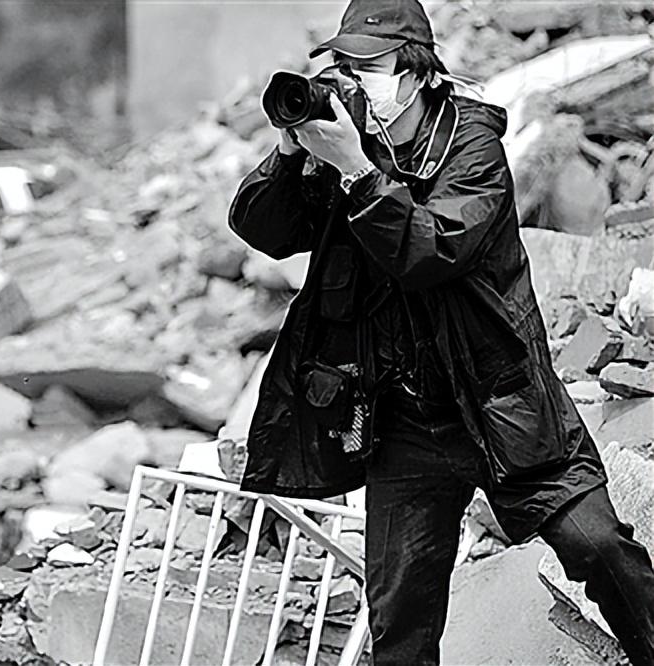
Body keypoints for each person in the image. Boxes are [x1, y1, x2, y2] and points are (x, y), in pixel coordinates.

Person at [228, 0, 654, 663]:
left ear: (418, 72)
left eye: (367, 67)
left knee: (600, 549)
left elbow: (429, 250)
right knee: (400, 623)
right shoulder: (343, 152)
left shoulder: (473, 145)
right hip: (404, 424)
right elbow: (264, 233)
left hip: (504, 405)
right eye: (341, 64)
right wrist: (290, 155)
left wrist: (360, 173)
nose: (349, 80)